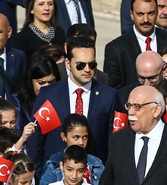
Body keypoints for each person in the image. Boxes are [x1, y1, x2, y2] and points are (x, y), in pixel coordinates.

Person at [27, 36, 116, 175]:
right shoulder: (49, 95)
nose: (87, 69)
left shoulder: (108, 96)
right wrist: (37, 177)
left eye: (92, 64)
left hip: (93, 176)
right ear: (68, 64)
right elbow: (36, 139)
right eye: (81, 65)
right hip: (54, 175)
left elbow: (113, 142)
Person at [104, 0, 167, 89]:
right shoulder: (116, 49)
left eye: (150, 13)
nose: (145, 20)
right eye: (140, 14)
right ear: (131, 14)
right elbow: (113, 90)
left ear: (157, 13)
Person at [38, 113, 105, 185]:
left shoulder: (96, 164)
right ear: (64, 136)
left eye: (85, 137)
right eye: (76, 137)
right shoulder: (54, 164)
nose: (81, 142)